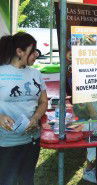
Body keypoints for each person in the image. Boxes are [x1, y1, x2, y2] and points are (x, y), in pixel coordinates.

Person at [0, 32, 48, 185]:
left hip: (32, 140)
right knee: (7, 180)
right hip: (6, 142)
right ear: (19, 52)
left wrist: (35, 118)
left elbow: (43, 102)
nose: (36, 54)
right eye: (32, 51)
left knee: (27, 180)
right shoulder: (1, 73)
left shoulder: (36, 73)